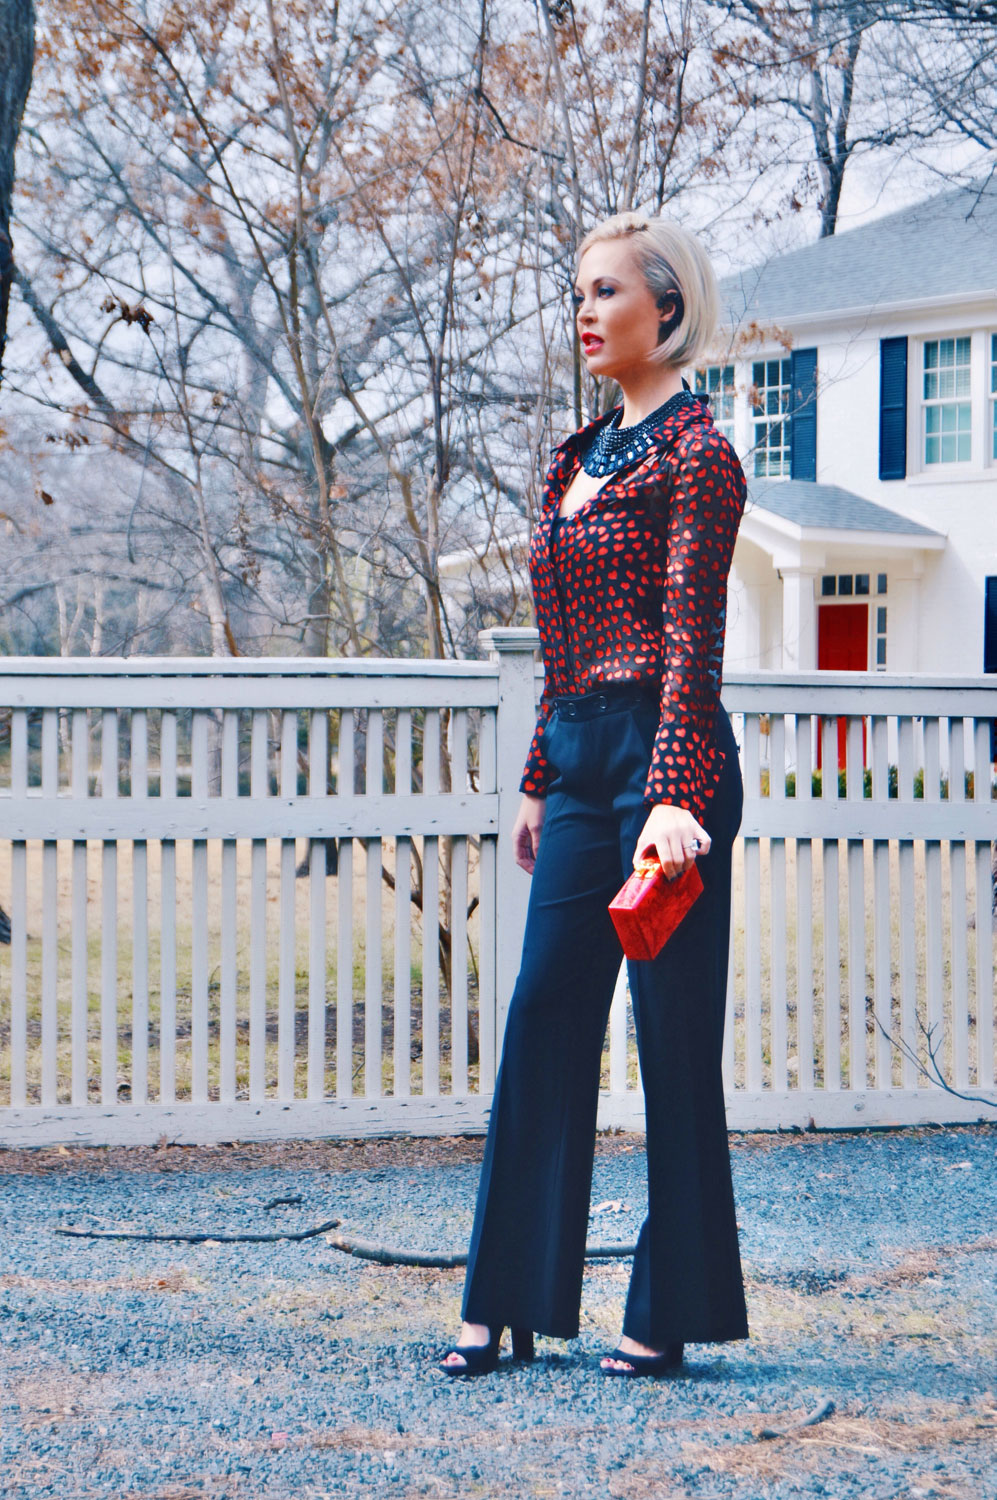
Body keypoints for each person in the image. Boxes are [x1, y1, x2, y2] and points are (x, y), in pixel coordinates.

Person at [438, 212, 749, 1378]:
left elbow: (689, 638)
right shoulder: (576, 459)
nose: (583, 310)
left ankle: (667, 1313)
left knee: (670, 1042)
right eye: (576, 290)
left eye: (606, 291)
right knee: (543, 1019)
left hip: (670, 774)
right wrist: (535, 778)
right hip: (578, 767)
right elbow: (565, 645)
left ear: (663, 311)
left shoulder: (697, 453)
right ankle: (509, 1295)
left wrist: (677, 795)